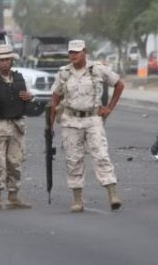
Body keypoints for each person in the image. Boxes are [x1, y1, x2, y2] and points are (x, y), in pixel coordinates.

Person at [49, 40, 124, 213]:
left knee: (101, 155)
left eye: (77, 52)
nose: (73, 55)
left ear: (85, 52)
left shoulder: (97, 69)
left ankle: (112, 194)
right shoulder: (64, 73)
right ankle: (77, 200)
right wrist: (50, 125)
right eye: (71, 52)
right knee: (73, 159)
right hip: (71, 120)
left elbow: (119, 84)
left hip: (93, 119)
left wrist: (109, 108)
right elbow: (55, 98)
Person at [0, 44, 33, 210]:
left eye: (7, 59)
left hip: (17, 126)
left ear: (12, 61)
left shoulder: (19, 78)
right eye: (1, 60)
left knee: (15, 163)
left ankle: (13, 196)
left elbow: (26, 96)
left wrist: (28, 97)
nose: (4, 63)